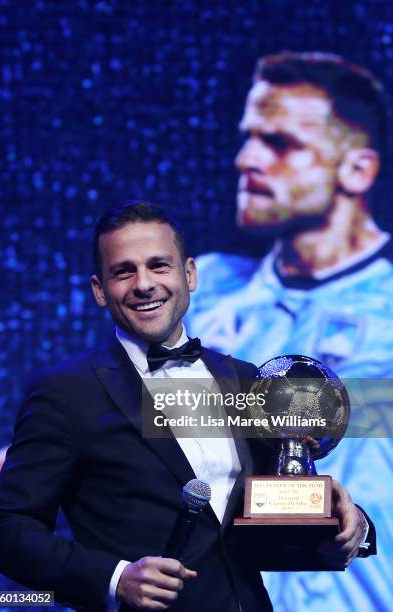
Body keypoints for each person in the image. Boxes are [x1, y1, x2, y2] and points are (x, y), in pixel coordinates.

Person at [0, 202, 374, 611]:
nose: (144, 284)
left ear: (189, 274)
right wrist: (114, 579)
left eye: (159, 266)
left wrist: (350, 524)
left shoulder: (243, 379)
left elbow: (276, 504)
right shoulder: (66, 392)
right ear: (100, 290)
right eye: (123, 271)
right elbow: (3, 528)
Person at [185, 53, 392, 611]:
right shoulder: (202, 296)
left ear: (357, 170)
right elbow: (97, 429)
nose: (246, 159)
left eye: (279, 144)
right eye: (248, 138)